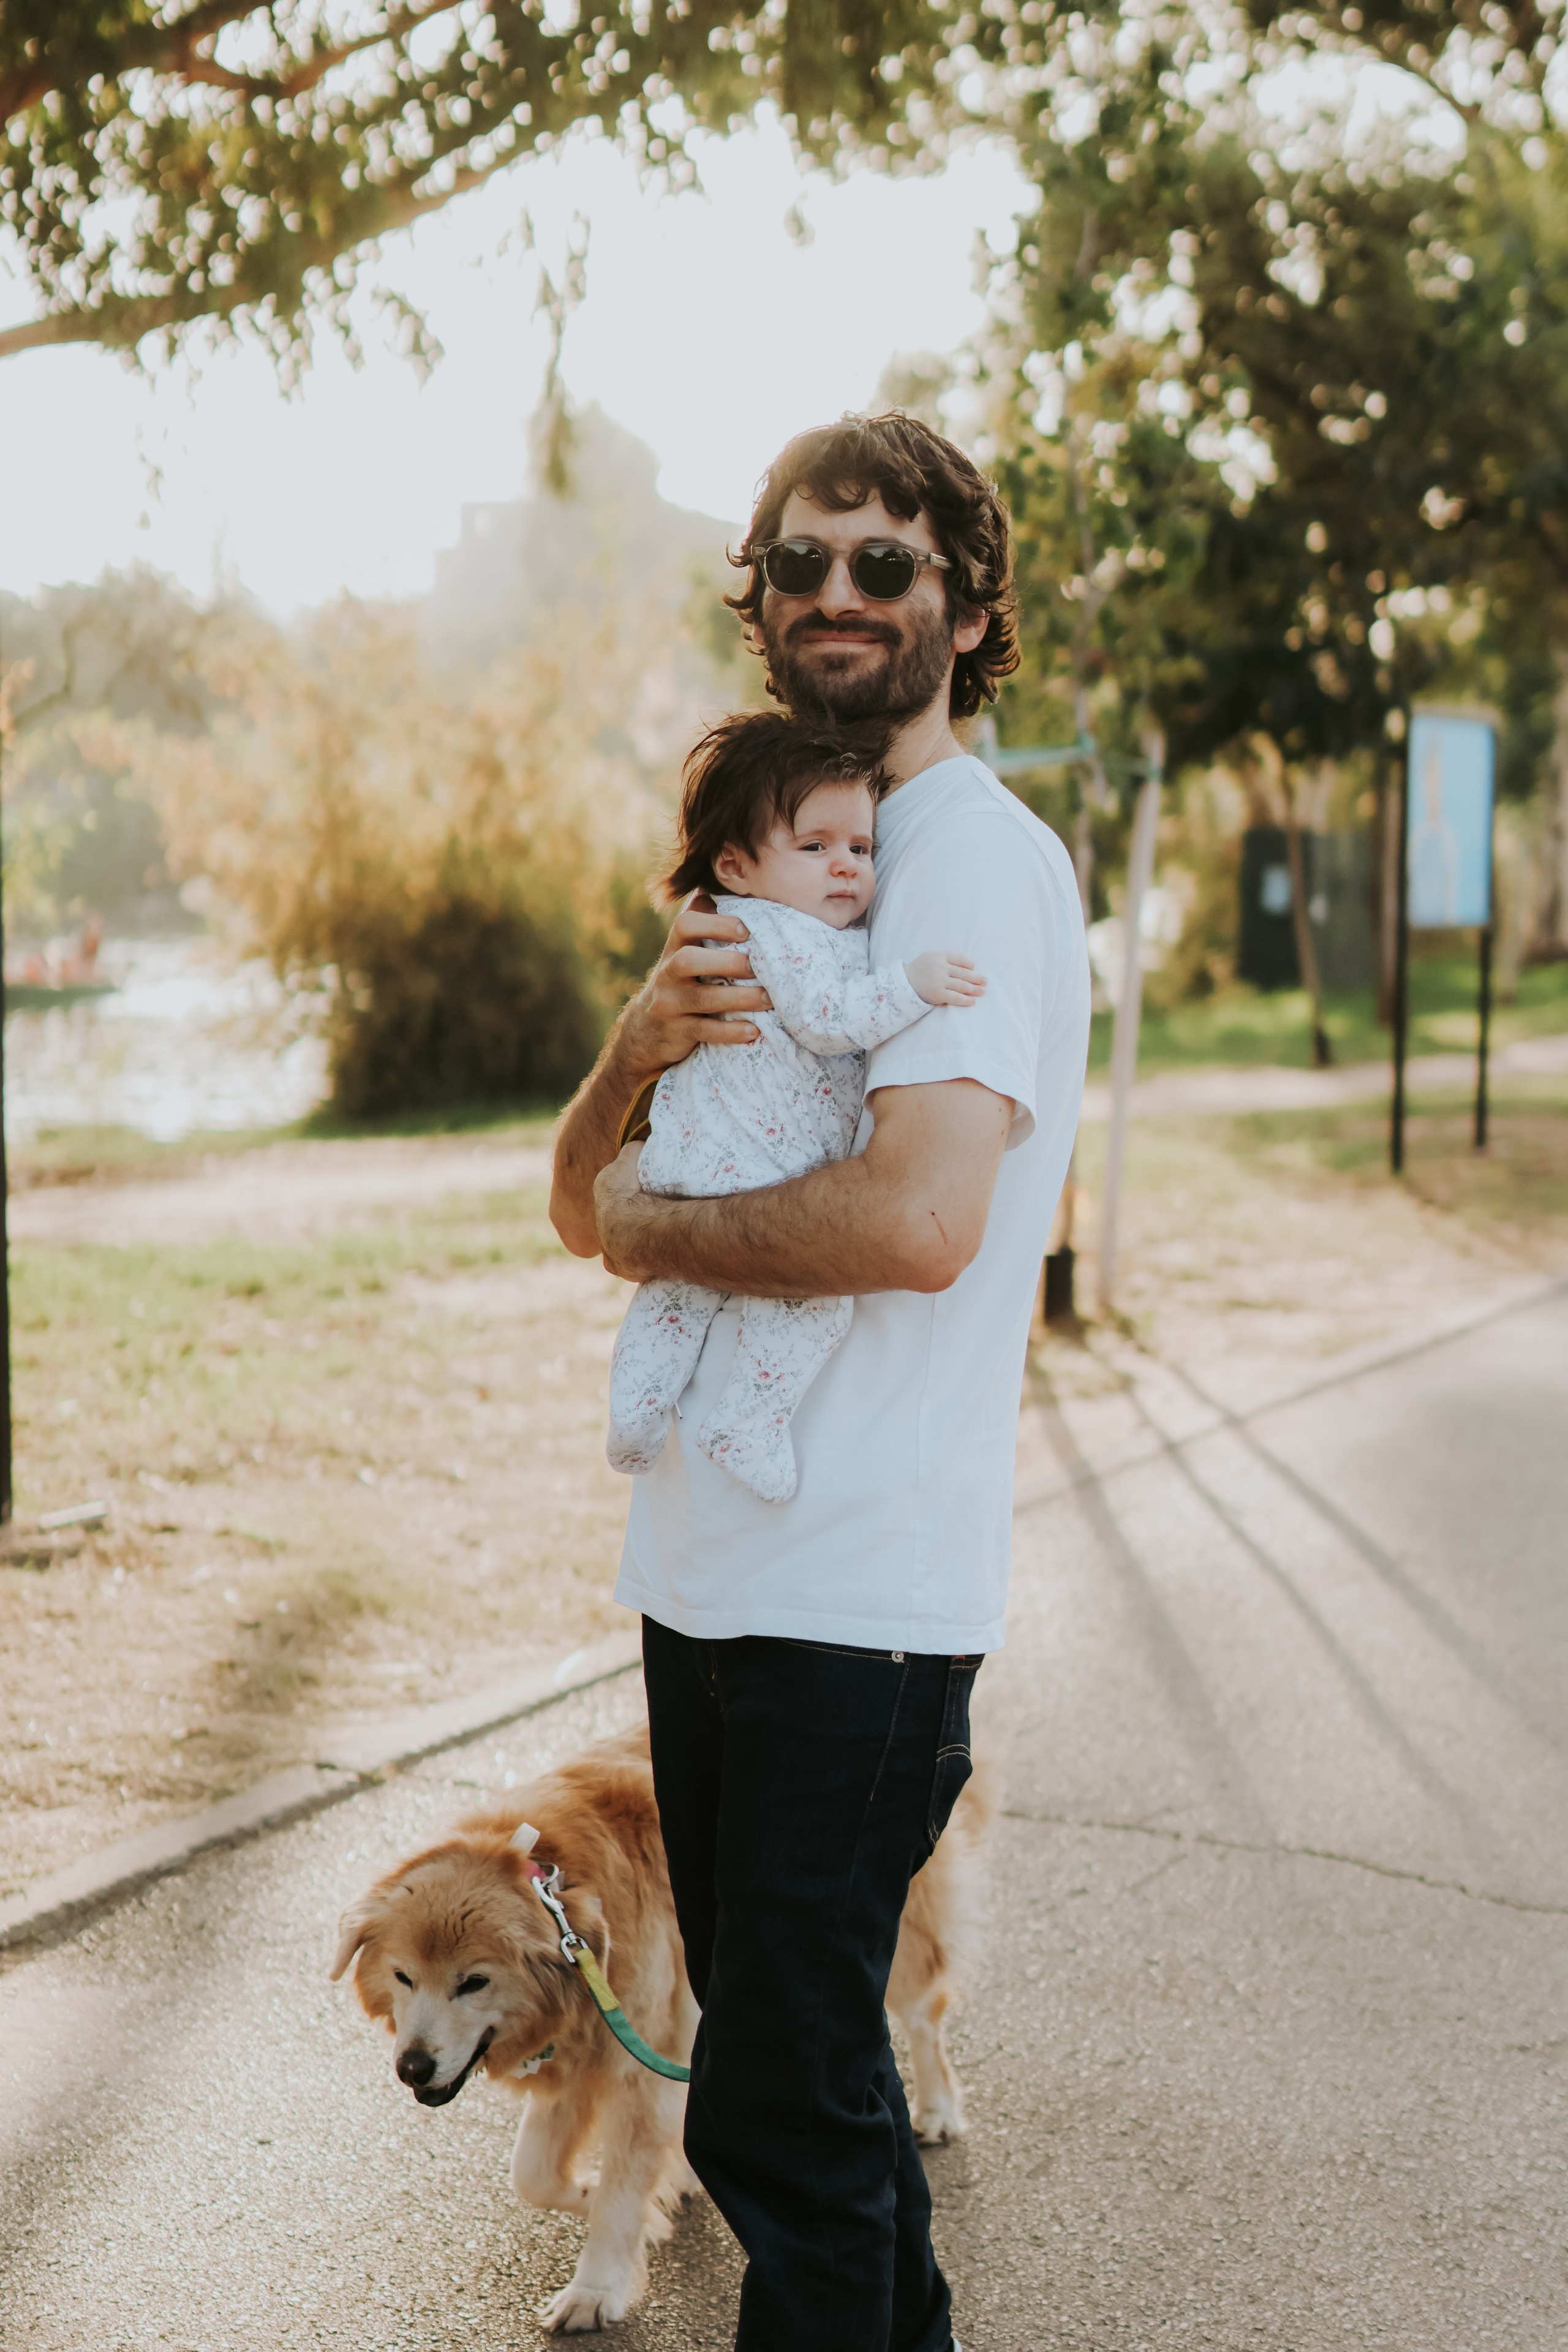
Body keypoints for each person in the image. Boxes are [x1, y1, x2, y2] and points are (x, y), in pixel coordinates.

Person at [549, 412, 1090, 2352]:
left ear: (969, 606)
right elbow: (582, 1201)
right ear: (762, 602)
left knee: (779, 2108)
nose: (837, 592)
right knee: (815, 2091)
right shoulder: (783, 857)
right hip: (713, 1578)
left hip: (857, 1594)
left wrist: (660, 1228)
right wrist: (634, 1048)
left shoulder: (966, 865)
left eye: (885, 561)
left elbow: (924, 1219)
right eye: (800, 560)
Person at [607, 707, 986, 1501]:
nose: (844, 867)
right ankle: (750, 1422)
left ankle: (636, 1413)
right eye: (815, 848)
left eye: (861, 849)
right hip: (756, 1166)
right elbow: (826, 1019)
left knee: (675, 1298)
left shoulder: (738, 923)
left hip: (702, 1161)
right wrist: (911, 984)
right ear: (737, 865)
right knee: (813, 1307)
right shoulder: (784, 933)